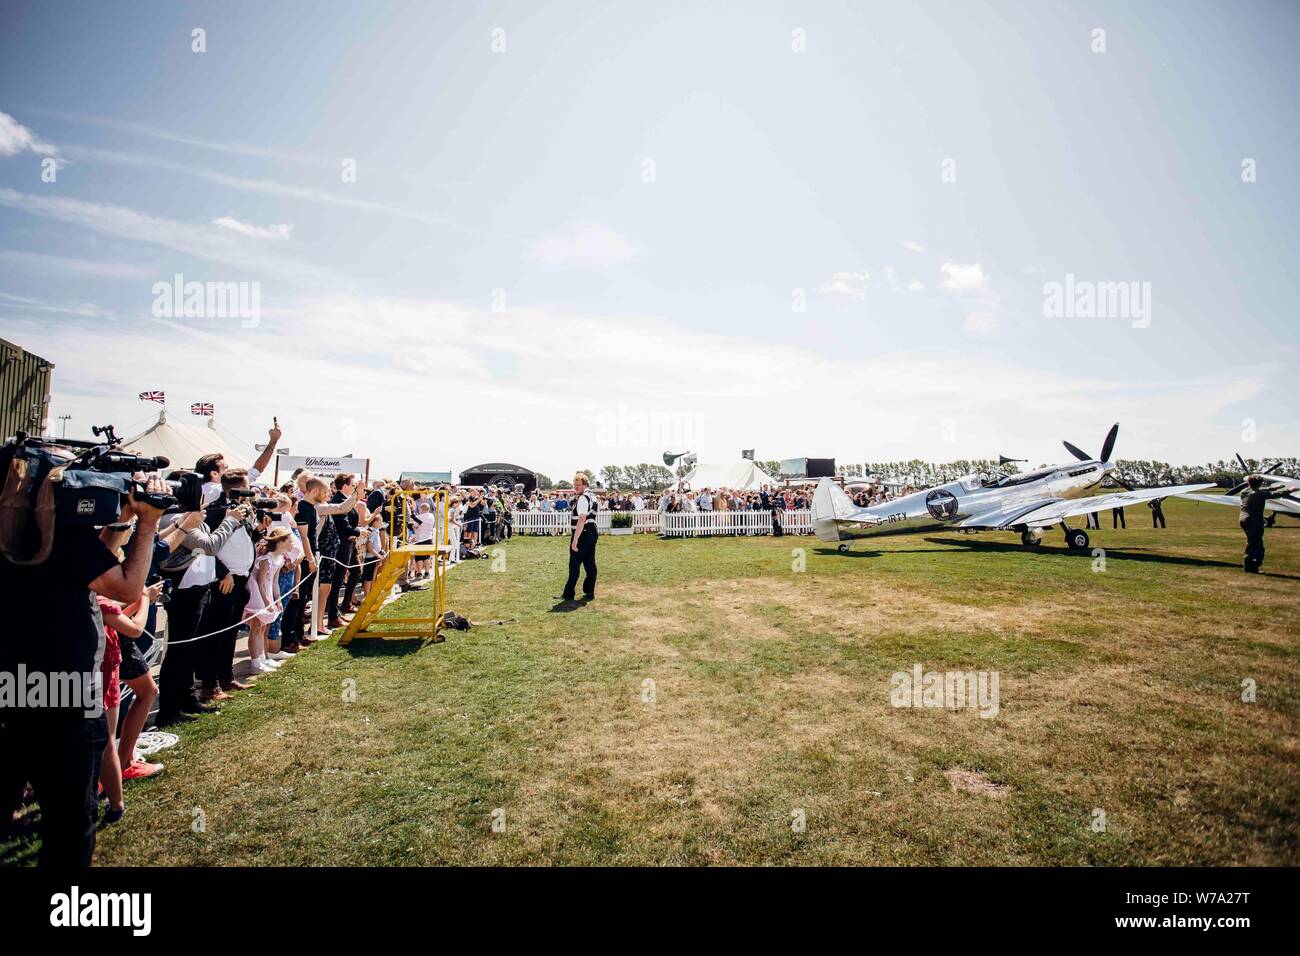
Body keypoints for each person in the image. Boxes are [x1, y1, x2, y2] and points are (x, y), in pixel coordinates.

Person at [559, 473, 599, 603]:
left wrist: (575, 539)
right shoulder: (592, 496)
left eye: (578, 485)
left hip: (583, 532)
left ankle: (568, 593)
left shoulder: (583, 498)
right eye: (574, 485)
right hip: (592, 531)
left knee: (574, 563)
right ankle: (589, 591)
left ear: (585, 484)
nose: (576, 487)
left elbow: (581, 519)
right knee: (589, 562)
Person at [1240, 475, 1291, 573]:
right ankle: (1251, 566)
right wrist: (1290, 490)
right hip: (1254, 520)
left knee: (1253, 542)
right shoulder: (1258, 494)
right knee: (1256, 544)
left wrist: (1275, 487)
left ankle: (1250, 566)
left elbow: (1263, 489)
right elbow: (1275, 495)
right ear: (1259, 484)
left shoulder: (1245, 491)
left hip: (1243, 519)